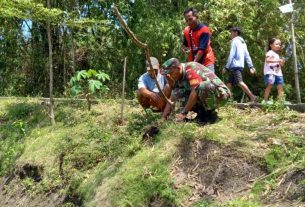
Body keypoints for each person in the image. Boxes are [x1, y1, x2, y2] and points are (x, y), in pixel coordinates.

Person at [161, 58, 230, 123]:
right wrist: (163, 118)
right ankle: (201, 113)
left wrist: (183, 113)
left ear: (178, 68)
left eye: (171, 73)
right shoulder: (178, 76)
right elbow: (173, 97)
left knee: (202, 86)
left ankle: (211, 114)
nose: (170, 76)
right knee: (178, 93)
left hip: (221, 95)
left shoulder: (189, 68)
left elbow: (195, 90)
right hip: (205, 95)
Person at [222, 27, 257, 102]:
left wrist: (226, 67)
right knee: (229, 83)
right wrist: (251, 66)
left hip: (235, 65)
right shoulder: (242, 42)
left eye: (231, 32)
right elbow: (247, 55)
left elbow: (232, 55)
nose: (230, 34)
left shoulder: (235, 41)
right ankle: (227, 100)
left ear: (235, 33)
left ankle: (252, 96)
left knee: (239, 82)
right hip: (239, 65)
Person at [182, 8, 216, 72]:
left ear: (196, 17)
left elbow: (201, 50)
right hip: (193, 62)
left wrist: (193, 64)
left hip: (206, 62)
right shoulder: (186, 30)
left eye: (190, 19)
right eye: (187, 21)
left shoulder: (204, 30)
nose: (189, 22)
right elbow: (185, 44)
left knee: (210, 81)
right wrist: (184, 48)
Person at [263, 38, 285, 103]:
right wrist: (278, 60)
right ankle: (265, 100)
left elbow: (278, 65)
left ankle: (281, 101)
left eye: (279, 44)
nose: (278, 45)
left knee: (280, 86)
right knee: (270, 85)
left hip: (278, 73)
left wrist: (281, 63)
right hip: (270, 73)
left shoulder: (277, 55)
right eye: (276, 44)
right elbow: (267, 60)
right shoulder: (270, 52)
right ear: (271, 45)